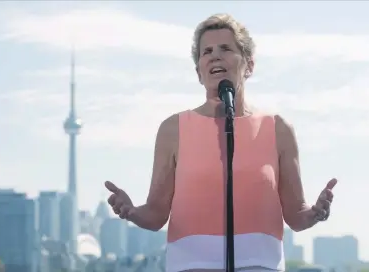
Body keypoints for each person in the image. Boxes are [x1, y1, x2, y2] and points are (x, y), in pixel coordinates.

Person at [105, 13, 337, 272]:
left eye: (226, 48)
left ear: (249, 65)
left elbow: (296, 215)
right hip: (190, 266)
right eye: (207, 52)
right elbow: (156, 213)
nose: (215, 56)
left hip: (261, 265)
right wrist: (131, 211)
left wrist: (315, 212)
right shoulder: (173, 129)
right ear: (199, 72)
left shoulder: (278, 129)